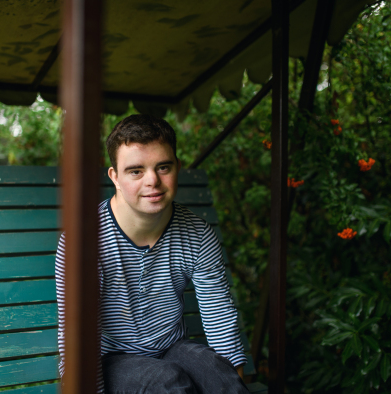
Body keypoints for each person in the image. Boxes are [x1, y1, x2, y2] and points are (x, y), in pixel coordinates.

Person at [55, 114, 249, 393]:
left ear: (177, 168)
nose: (153, 181)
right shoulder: (83, 242)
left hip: (172, 347)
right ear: (115, 177)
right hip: (111, 360)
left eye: (163, 167)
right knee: (167, 382)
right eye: (136, 171)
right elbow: (78, 340)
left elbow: (218, 314)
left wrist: (234, 384)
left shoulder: (197, 233)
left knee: (220, 376)